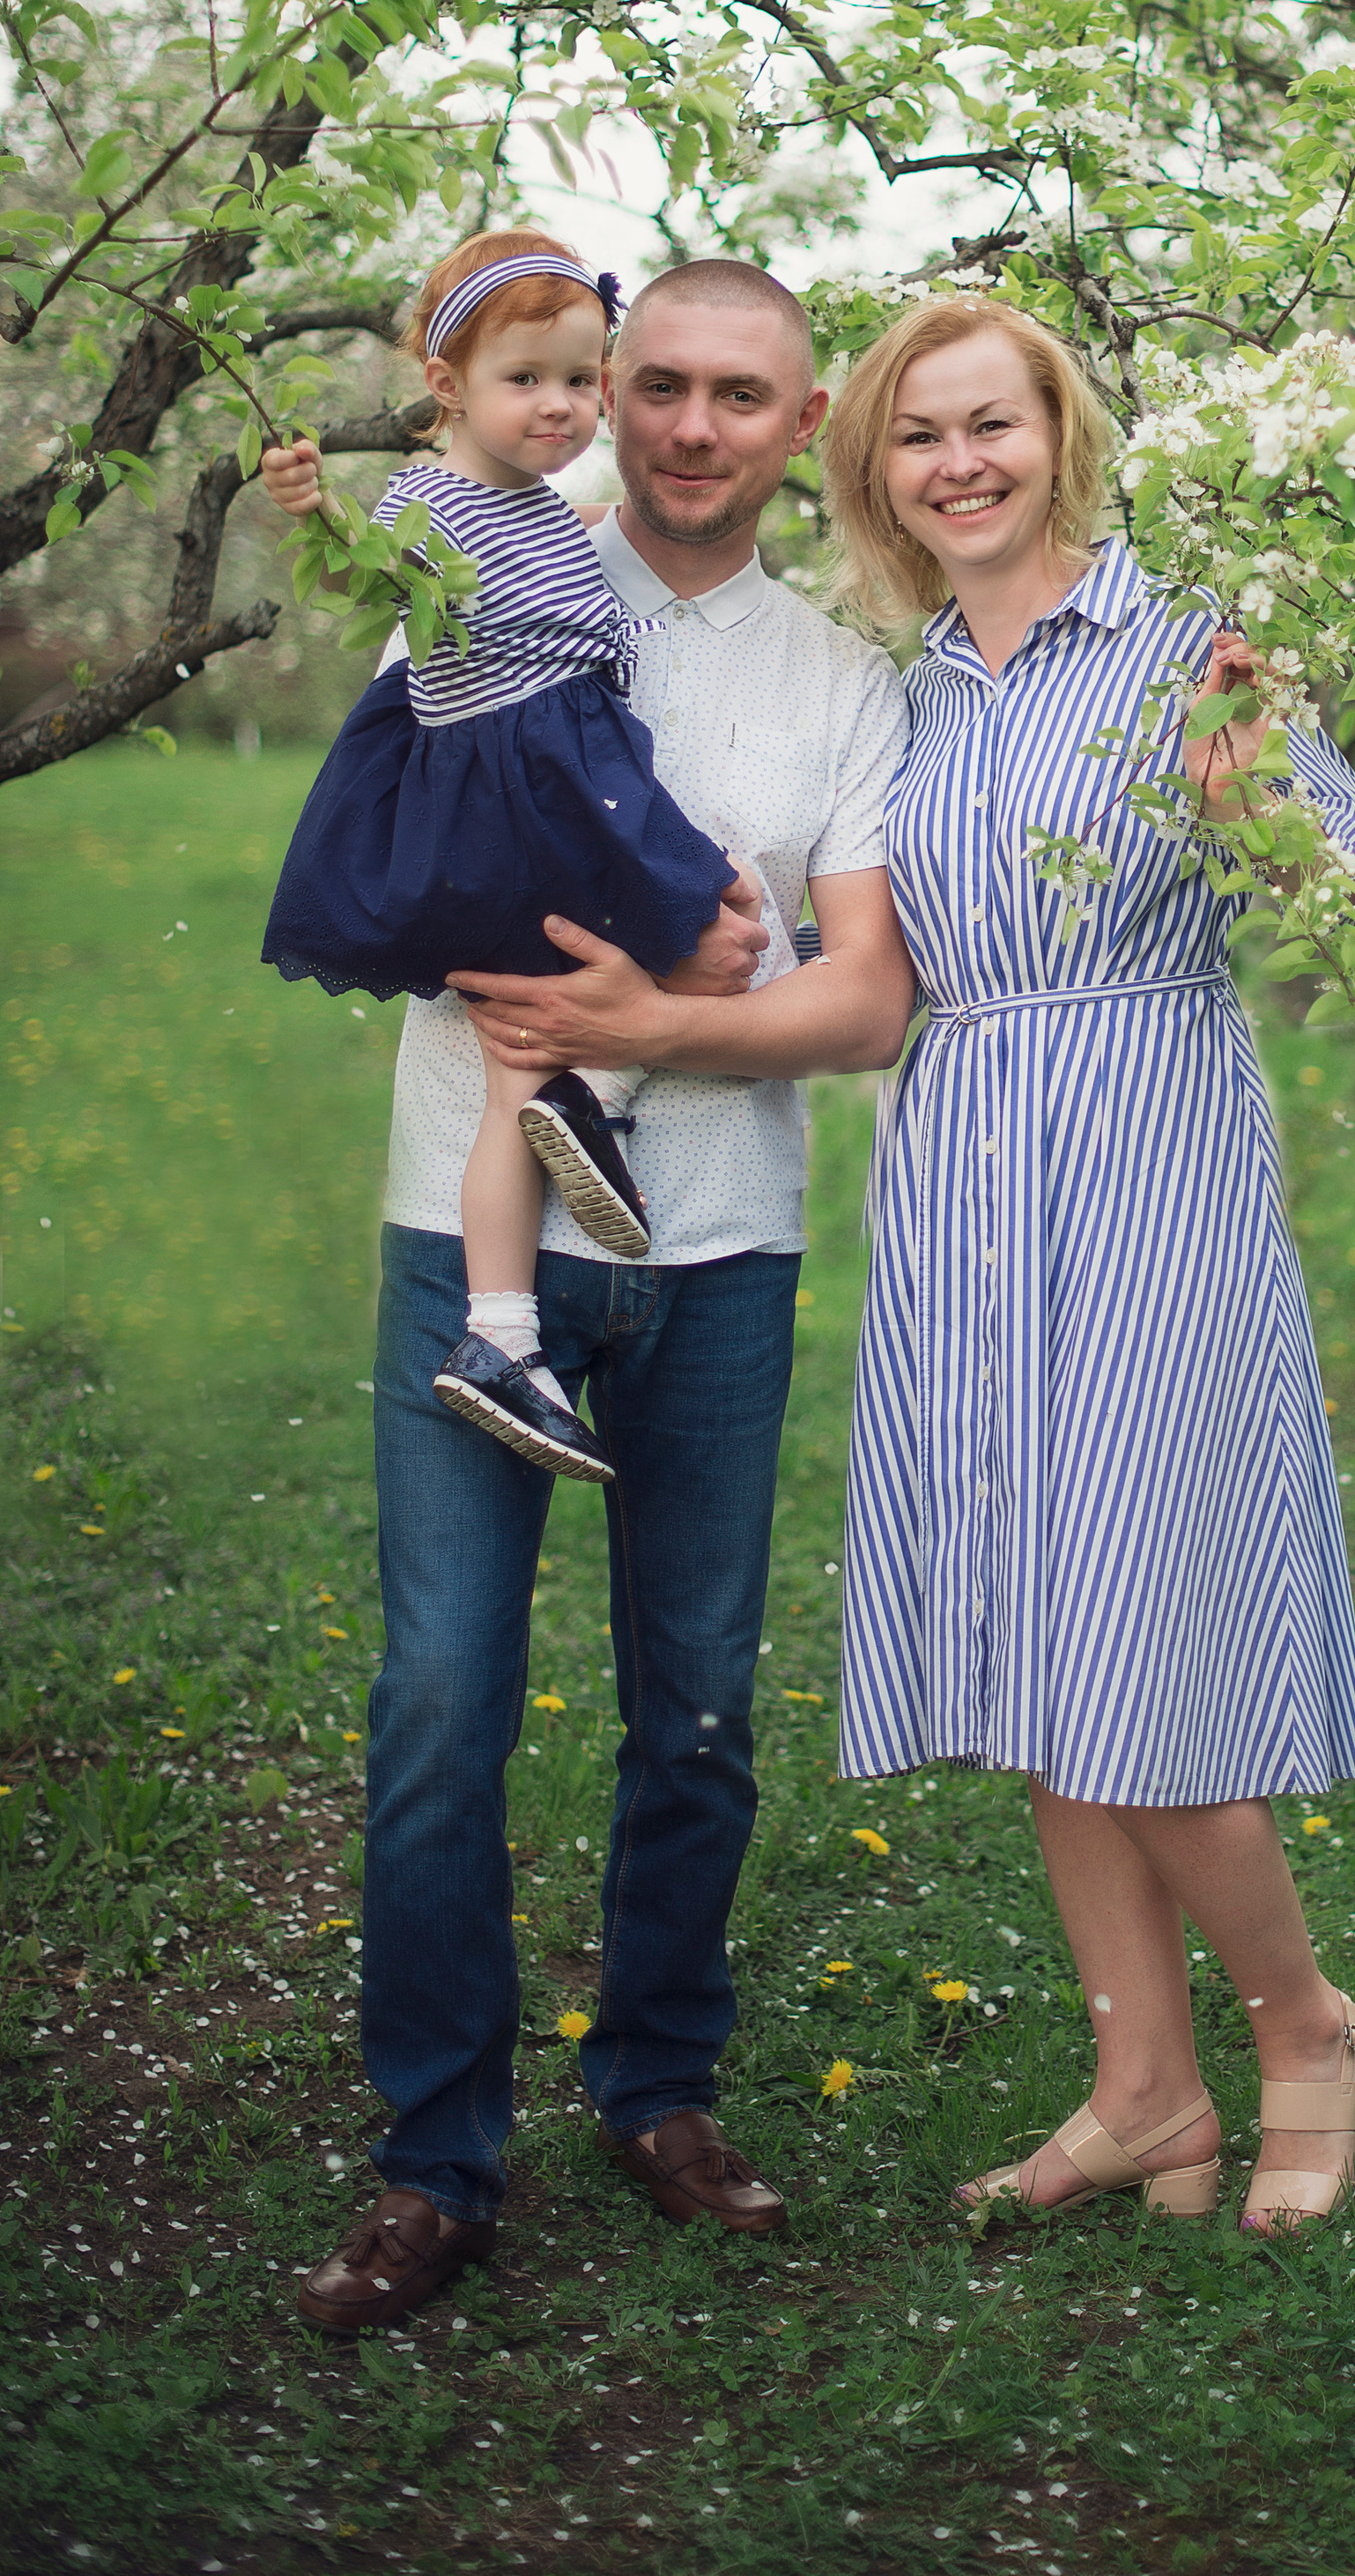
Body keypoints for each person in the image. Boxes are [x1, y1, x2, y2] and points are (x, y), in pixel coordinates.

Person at [286, 257, 914, 2339]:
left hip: (715, 1258)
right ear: (600, 393)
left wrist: (656, 1010)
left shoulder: (842, 685)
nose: (688, 427)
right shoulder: (481, 572)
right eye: (655, 386)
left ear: (800, 418)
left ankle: (657, 2088)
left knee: (700, 1711)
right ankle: (431, 2156)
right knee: (443, 1704)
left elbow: (862, 994)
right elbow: (409, 850)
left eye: (742, 395)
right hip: (462, 1240)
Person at [823, 295, 1355, 2235]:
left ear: (1057, 433)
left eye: (988, 424)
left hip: (1147, 1147)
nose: (957, 465)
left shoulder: (1183, 640)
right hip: (963, 1164)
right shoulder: (898, 686)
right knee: (1022, 1646)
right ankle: (1143, 2090)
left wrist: (1261, 802)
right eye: (918, 438)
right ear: (877, 471)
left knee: (1135, 1642)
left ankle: (1304, 2027)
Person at [262, 229, 753, 1480]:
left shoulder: (534, 504)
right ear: (447, 386)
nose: (564, 406)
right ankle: (592, 1106)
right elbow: (364, 574)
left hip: (557, 773)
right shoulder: (424, 503)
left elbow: (536, 556)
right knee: (713, 920)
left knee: (520, 1071)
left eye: (583, 380)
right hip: (526, 789)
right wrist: (317, 513)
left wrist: (582, 512)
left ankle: (500, 1331)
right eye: (528, 378)